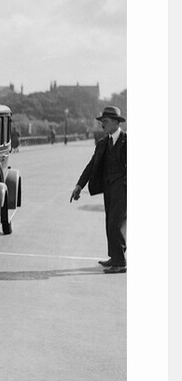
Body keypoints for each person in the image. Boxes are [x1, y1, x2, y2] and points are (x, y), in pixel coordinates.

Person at [69, 106, 127, 274]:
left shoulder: (127, 141)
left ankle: (120, 263)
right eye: (102, 122)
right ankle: (114, 256)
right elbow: (91, 166)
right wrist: (79, 185)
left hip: (123, 189)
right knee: (110, 222)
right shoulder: (103, 143)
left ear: (116, 122)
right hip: (108, 189)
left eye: (106, 121)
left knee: (115, 224)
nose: (103, 125)